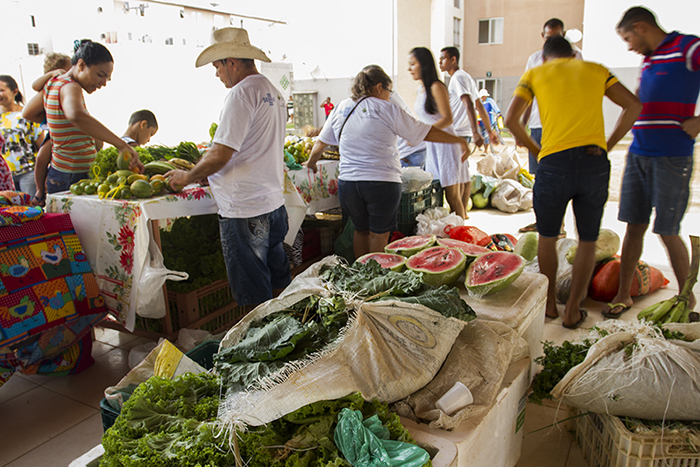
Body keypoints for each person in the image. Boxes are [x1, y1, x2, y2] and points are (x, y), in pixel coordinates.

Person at [505, 35, 641, 328]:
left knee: (547, 237)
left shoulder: (535, 73)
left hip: (554, 163)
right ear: (574, 56)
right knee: (588, 241)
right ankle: (572, 312)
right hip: (594, 162)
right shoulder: (596, 70)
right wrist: (609, 143)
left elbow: (511, 120)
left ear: (544, 57)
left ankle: (551, 304)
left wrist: (536, 149)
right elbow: (633, 106)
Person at [166, 27, 291, 307]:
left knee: (253, 294)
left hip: (245, 208)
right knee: (279, 282)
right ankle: (289, 334)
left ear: (231, 62)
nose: (217, 74)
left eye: (217, 66)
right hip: (272, 204)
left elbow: (221, 153)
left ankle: (260, 346)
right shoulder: (274, 92)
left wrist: (188, 175)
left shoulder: (241, 94)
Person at [306, 65, 469, 258]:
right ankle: (375, 278)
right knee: (378, 235)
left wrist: (311, 163)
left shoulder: (341, 108)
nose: (389, 96)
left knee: (360, 231)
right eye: (388, 91)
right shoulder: (386, 108)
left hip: (349, 184)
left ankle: (362, 274)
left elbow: (321, 143)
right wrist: (457, 140)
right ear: (378, 87)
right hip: (380, 183)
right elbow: (425, 131)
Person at [605, 6, 700, 318]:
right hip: (639, 153)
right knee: (634, 225)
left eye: (628, 38)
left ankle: (687, 301)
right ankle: (623, 294)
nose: (629, 46)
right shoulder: (648, 59)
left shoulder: (689, 48)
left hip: (672, 155)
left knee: (667, 230)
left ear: (642, 27)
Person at [23, 40, 142, 195]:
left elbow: (28, 113)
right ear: (81, 66)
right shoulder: (71, 86)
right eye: (100, 75)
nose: (104, 83)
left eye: (107, 78)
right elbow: (76, 115)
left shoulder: (53, 83)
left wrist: (59, 123)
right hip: (72, 176)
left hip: (60, 173)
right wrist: (121, 145)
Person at [519, 18, 583, 235]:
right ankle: (542, 221)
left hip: (563, 127)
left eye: (557, 36)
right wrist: (524, 125)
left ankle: (559, 227)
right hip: (538, 126)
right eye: (549, 37)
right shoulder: (534, 59)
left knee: (561, 176)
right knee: (540, 177)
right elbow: (527, 95)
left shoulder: (576, 56)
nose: (552, 40)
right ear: (542, 36)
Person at [410, 47, 471, 218]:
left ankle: (461, 236)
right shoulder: (420, 90)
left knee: (453, 197)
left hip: (446, 145)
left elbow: (447, 119)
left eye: (413, 64)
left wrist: (422, 133)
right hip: (432, 145)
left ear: (423, 64)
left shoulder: (436, 87)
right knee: (438, 193)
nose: (410, 69)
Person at [439, 46, 498, 218]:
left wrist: (477, 132)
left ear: (453, 59)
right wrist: (488, 130)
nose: (440, 62)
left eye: (443, 58)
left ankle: (459, 214)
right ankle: (463, 213)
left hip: (457, 133)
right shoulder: (466, 77)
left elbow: (469, 104)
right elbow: (479, 106)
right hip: (462, 133)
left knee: (455, 178)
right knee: (463, 174)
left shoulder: (458, 78)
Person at [23, 53, 72, 205]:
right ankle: (39, 191)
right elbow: (34, 86)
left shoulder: (67, 87)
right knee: (42, 157)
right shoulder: (52, 84)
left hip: (61, 126)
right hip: (53, 126)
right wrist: (53, 74)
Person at [0, 75, 44, 194]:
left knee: (30, 209)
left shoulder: (27, 114)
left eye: (1, 90)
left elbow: (42, 144)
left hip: (28, 172)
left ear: (14, 91)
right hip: (4, 175)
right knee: (9, 210)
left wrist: (45, 171)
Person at [477, 89, 502, 153]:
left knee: (487, 134)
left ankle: (485, 150)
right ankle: (481, 146)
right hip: (481, 120)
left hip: (489, 120)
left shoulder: (490, 101)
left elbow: (495, 107)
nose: (483, 98)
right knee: (482, 134)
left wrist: (498, 113)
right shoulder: (480, 102)